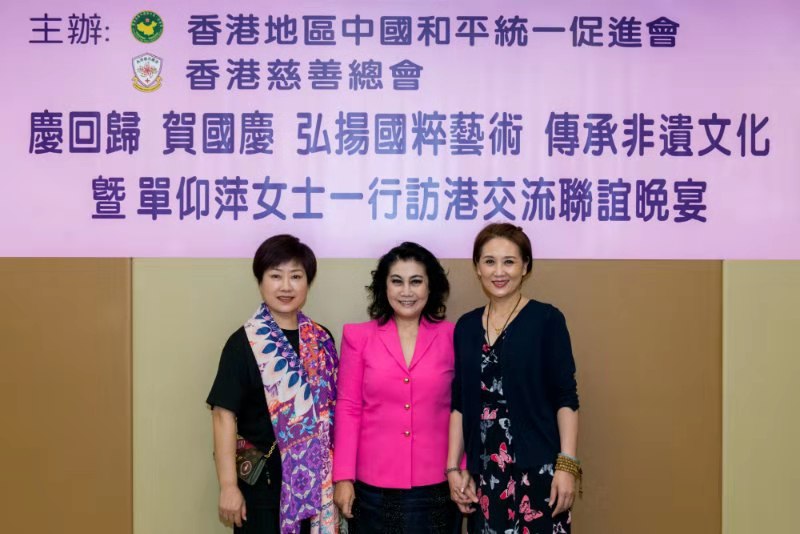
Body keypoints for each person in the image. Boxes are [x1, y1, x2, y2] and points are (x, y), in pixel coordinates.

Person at [447, 223, 581, 534]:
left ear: (525, 267)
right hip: (485, 473)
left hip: (539, 469)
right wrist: (454, 467)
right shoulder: (466, 327)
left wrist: (567, 466)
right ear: (477, 267)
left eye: (509, 261)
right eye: (489, 261)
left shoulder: (547, 319)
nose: (499, 271)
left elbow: (566, 397)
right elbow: (460, 403)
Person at [207, 234, 339, 534]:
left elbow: (336, 411)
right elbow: (222, 415)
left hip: (319, 487)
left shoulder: (322, 340)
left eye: (296, 276)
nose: (286, 286)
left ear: (308, 283)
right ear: (261, 281)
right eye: (276, 276)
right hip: (263, 488)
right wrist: (228, 486)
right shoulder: (243, 343)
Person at [332, 242, 459, 533]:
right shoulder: (358, 336)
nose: (406, 291)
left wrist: (461, 467)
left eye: (416, 281)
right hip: (373, 488)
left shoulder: (452, 335)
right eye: (397, 281)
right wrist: (344, 477)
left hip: (438, 483)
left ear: (430, 286)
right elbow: (349, 407)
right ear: (384, 286)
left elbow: (461, 408)